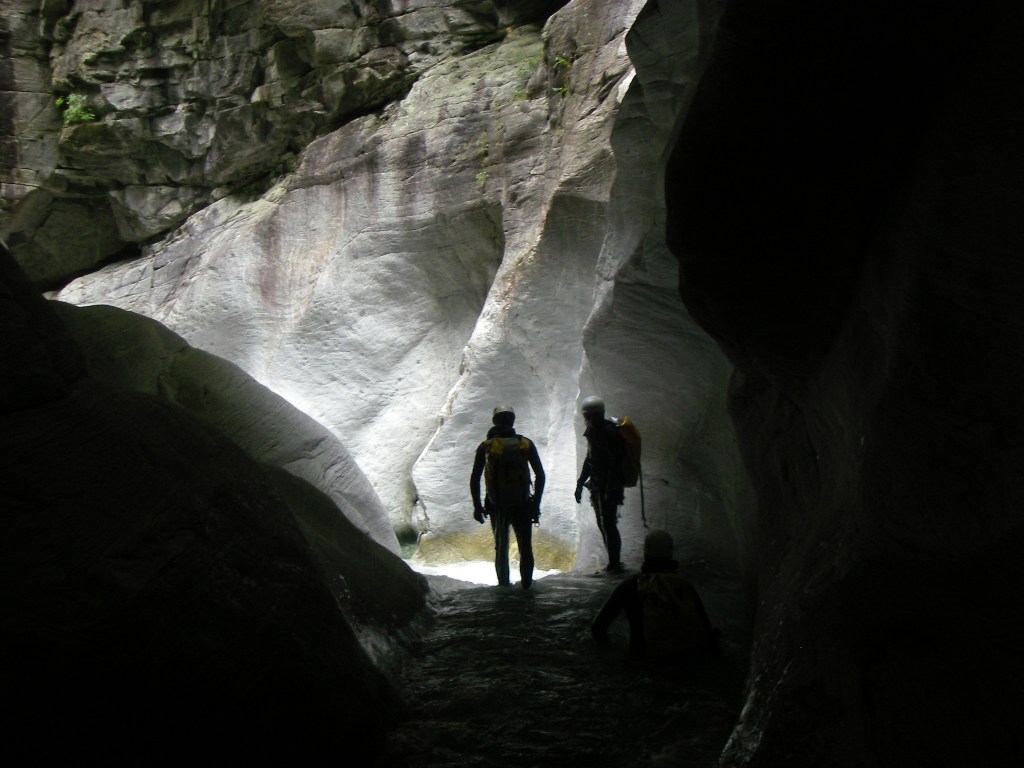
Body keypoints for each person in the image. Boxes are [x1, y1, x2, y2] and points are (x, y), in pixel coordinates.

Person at [591, 529, 719, 663]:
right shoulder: (685, 586)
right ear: (671, 553)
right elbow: (707, 633)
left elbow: (598, 628)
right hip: (689, 663)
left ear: (645, 552)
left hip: (645, 662)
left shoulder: (631, 586)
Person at [470, 405, 545, 589]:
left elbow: (475, 477)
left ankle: (504, 587)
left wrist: (477, 506)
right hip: (523, 504)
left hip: (497, 506)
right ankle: (527, 587)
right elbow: (540, 475)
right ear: (513, 420)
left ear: (495, 422)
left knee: (501, 548)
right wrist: (536, 503)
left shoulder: (486, 446)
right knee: (525, 547)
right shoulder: (525, 444)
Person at [574, 395, 626, 573]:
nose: (588, 419)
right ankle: (613, 563)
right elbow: (590, 459)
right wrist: (581, 482)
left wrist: (610, 489)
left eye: (589, 416)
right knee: (604, 524)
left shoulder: (608, 433)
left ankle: (615, 564)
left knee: (609, 524)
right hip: (598, 484)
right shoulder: (593, 431)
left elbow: (615, 463)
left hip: (608, 485)